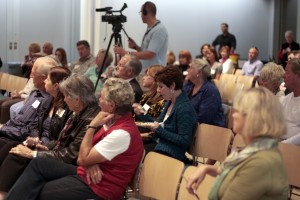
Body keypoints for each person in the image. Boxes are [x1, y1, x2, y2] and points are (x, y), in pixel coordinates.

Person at [6, 77, 143, 200]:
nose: (98, 100)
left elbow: (82, 158)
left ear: (112, 105)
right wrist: (90, 162)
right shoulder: (111, 120)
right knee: (38, 165)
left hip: (101, 186)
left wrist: (92, 126)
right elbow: (87, 155)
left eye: (101, 97)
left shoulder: (121, 132)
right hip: (88, 172)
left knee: (42, 189)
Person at [186, 87, 288, 200]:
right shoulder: (256, 149)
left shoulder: (261, 163)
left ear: (252, 118)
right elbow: (232, 171)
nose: (233, 115)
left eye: (238, 110)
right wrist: (206, 168)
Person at [0, 67, 72, 199]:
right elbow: (35, 125)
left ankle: (3, 195)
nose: (45, 81)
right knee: (8, 146)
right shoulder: (47, 101)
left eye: (48, 79)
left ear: (56, 85)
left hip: (49, 146)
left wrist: (41, 143)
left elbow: (62, 138)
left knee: (17, 153)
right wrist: (35, 137)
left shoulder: (68, 108)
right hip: (37, 141)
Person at [135, 66, 197, 162]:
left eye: (161, 86)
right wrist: (143, 115)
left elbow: (184, 141)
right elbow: (159, 124)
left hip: (170, 152)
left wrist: (159, 130)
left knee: (134, 154)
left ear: (172, 85)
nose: (158, 90)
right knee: (130, 147)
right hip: (159, 144)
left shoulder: (185, 108)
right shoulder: (170, 101)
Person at [0, 56, 60, 142]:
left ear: (43, 78)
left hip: (16, 138)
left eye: (33, 74)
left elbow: (28, 132)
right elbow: (17, 120)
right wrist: (4, 127)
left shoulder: (47, 101)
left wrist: (3, 128)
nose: (31, 77)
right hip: (9, 131)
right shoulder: (35, 93)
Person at [114, 1, 168, 72]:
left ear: (145, 12)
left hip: (153, 74)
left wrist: (126, 53)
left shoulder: (159, 30)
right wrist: (136, 47)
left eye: (141, 12)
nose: (141, 15)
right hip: (146, 71)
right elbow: (147, 51)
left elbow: (150, 55)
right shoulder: (151, 28)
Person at [133, 65, 165, 152]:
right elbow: (137, 116)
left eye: (147, 75)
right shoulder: (147, 97)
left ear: (155, 79)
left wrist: (141, 112)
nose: (143, 78)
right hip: (140, 129)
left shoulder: (162, 101)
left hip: (150, 137)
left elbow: (155, 126)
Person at [184, 59, 225, 127]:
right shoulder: (190, 85)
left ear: (198, 73)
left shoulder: (210, 91)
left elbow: (203, 118)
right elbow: (178, 103)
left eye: (191, 68)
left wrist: (181, 120)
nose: (188, 70)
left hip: (210, 131)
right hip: (190, 126)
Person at [280, 58, 300, 144]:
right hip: (279, 142)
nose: (283, 76)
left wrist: (283, 144)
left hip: (293, 149)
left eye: (287, 72)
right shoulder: (287, 98)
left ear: (298, 75)